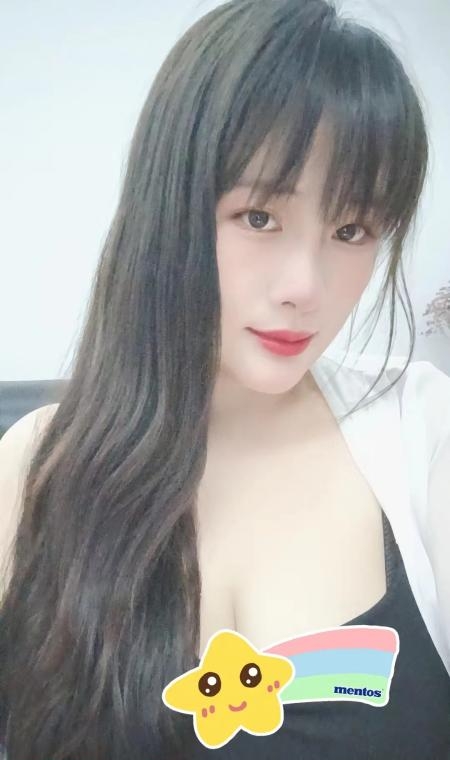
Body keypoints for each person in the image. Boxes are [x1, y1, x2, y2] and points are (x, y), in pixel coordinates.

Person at [0, 0, 449, 757]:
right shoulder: (32, 469)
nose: (305, 286)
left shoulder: (422, 432)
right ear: (167, 208)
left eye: (351, 230)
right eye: (259, 217)